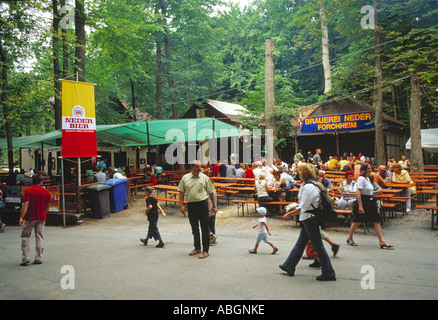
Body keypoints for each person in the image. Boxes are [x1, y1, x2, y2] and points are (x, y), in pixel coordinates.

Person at [279, 163, 336, 281]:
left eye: (299, 172)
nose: (298, 173)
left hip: (309, 218)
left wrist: (289, 214)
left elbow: (303, 207)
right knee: (301, 244)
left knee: (318, 246)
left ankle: (329, 272)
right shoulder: (308, 185)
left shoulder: (309, 187)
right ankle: (289, 265)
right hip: (307, 218)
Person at [346, 163, 394, 249]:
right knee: (357, 221)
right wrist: (360, 206)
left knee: (377, 220)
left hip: (370, 201)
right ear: (364, 169)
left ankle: (381, 241)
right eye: (368, 168)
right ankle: (350, 237)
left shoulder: (367, 178)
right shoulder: (361, 179)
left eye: (371, 168)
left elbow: (369, 191)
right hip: (363, 201)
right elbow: (358, 192)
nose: (370, 169)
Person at [178, 160, 217, 259]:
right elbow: (181, 192)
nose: (200, 168)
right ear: (191, 167)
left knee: (204, 228)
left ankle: (205, 251)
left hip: (202, 204)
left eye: (200, 166)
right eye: (197, 166)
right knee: (194, 228)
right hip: (191, 205)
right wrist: (181, 205)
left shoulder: (205, 178)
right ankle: (197, 248)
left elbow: (211, 192)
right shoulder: (185, 178)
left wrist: (214, 206)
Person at [19, 174, 52, 265]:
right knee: (39, 236)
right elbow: (47, 205)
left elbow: (25, 204)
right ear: (41, 182)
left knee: (25, 236)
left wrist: (21, 217)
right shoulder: (46, 192)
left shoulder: (29, 191)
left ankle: (25, 257)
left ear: (32, 182)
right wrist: (43, 211)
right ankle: (38, 258)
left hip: (30, 217)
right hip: (41, 216)